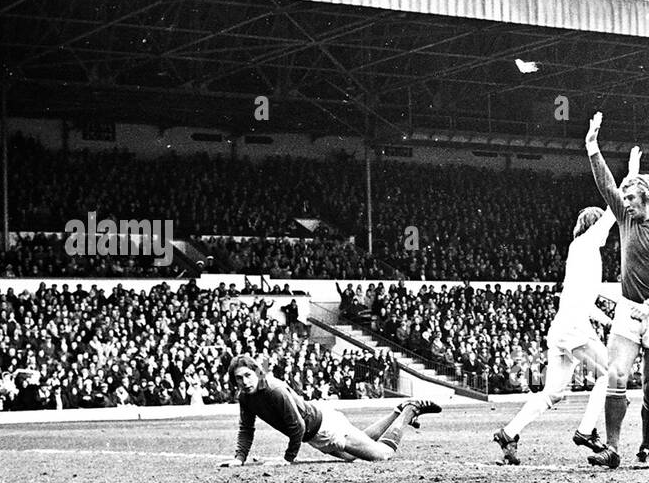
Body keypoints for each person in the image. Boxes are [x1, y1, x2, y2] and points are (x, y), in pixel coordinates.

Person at [583, 113, 649, 468]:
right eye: (624, 197)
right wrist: (592, 147)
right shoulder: (625, 218)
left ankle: (646, 446)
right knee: (616, 373)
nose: (623, 202)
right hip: (628, 310)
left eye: (630, 197)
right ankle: (612, 447)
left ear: (647, 197)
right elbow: (606, 185)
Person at [493, 198, 625, 465]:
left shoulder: (581, 253)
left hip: (563, 328)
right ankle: (586, 431)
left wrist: (611, 322)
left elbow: (587, 303)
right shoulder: (586, 244)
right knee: (609, 375)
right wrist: (630, 175)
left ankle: (509, 433)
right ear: (593, 225)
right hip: (574, 328)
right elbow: (613, 210)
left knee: (551, 393)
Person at [220, 354, 442, 466]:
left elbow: (297, 426)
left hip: (324, 427)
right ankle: (398, 411)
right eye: (239, 378)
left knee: (381, 455)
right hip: (316, 434)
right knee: (353, 453)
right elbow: (246, 428)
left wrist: (287, 459)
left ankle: (409, 410)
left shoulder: (275, 390)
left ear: (257, 373)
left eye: (247, 375)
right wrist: (239, 458)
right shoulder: (245, 398)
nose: (244, 381)